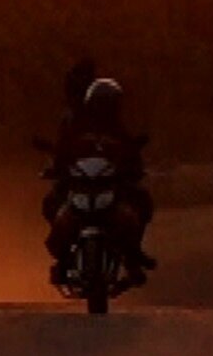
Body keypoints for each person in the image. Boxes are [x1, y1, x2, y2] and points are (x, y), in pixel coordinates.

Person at [43, 74, 156, 282]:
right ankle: (63, 256)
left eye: (110, 103)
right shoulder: (75, 124)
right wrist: (56, 168)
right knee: (51, 201)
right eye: (103, 102)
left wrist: (134, 169)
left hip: (111, 183)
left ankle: (132, 255)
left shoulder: (118, 128)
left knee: (141, 201)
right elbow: (62, 150)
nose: (106, 107)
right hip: (79, 181)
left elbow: (131, 153)